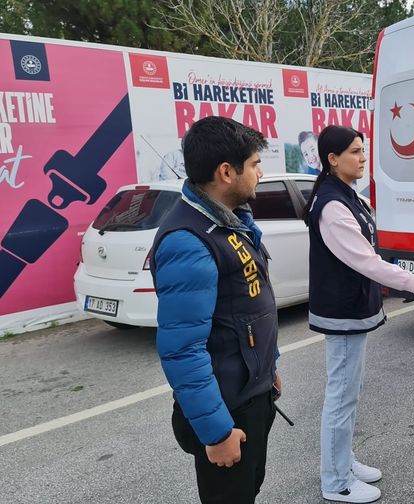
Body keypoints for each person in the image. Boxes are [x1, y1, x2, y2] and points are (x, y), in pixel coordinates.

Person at [303, 125, 414, 503]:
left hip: (351, 308)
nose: (363, 157)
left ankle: (343, 461)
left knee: (348, 393)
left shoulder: (346, 195)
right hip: (342, 313)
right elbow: (368, 263)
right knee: (341, 396)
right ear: (332, 159)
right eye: (355, 151)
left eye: (362, 149)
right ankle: (336, 481)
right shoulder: (332, 205)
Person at [151, 116, 280, 504]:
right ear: (226, 172)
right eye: (255, 164)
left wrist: (268, 368)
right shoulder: (188, 241)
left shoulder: (230, 221)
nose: (260, 173)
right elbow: (182, 349)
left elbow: (247, 307)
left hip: (252, 394)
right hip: (228, 411)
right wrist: (217, 432)